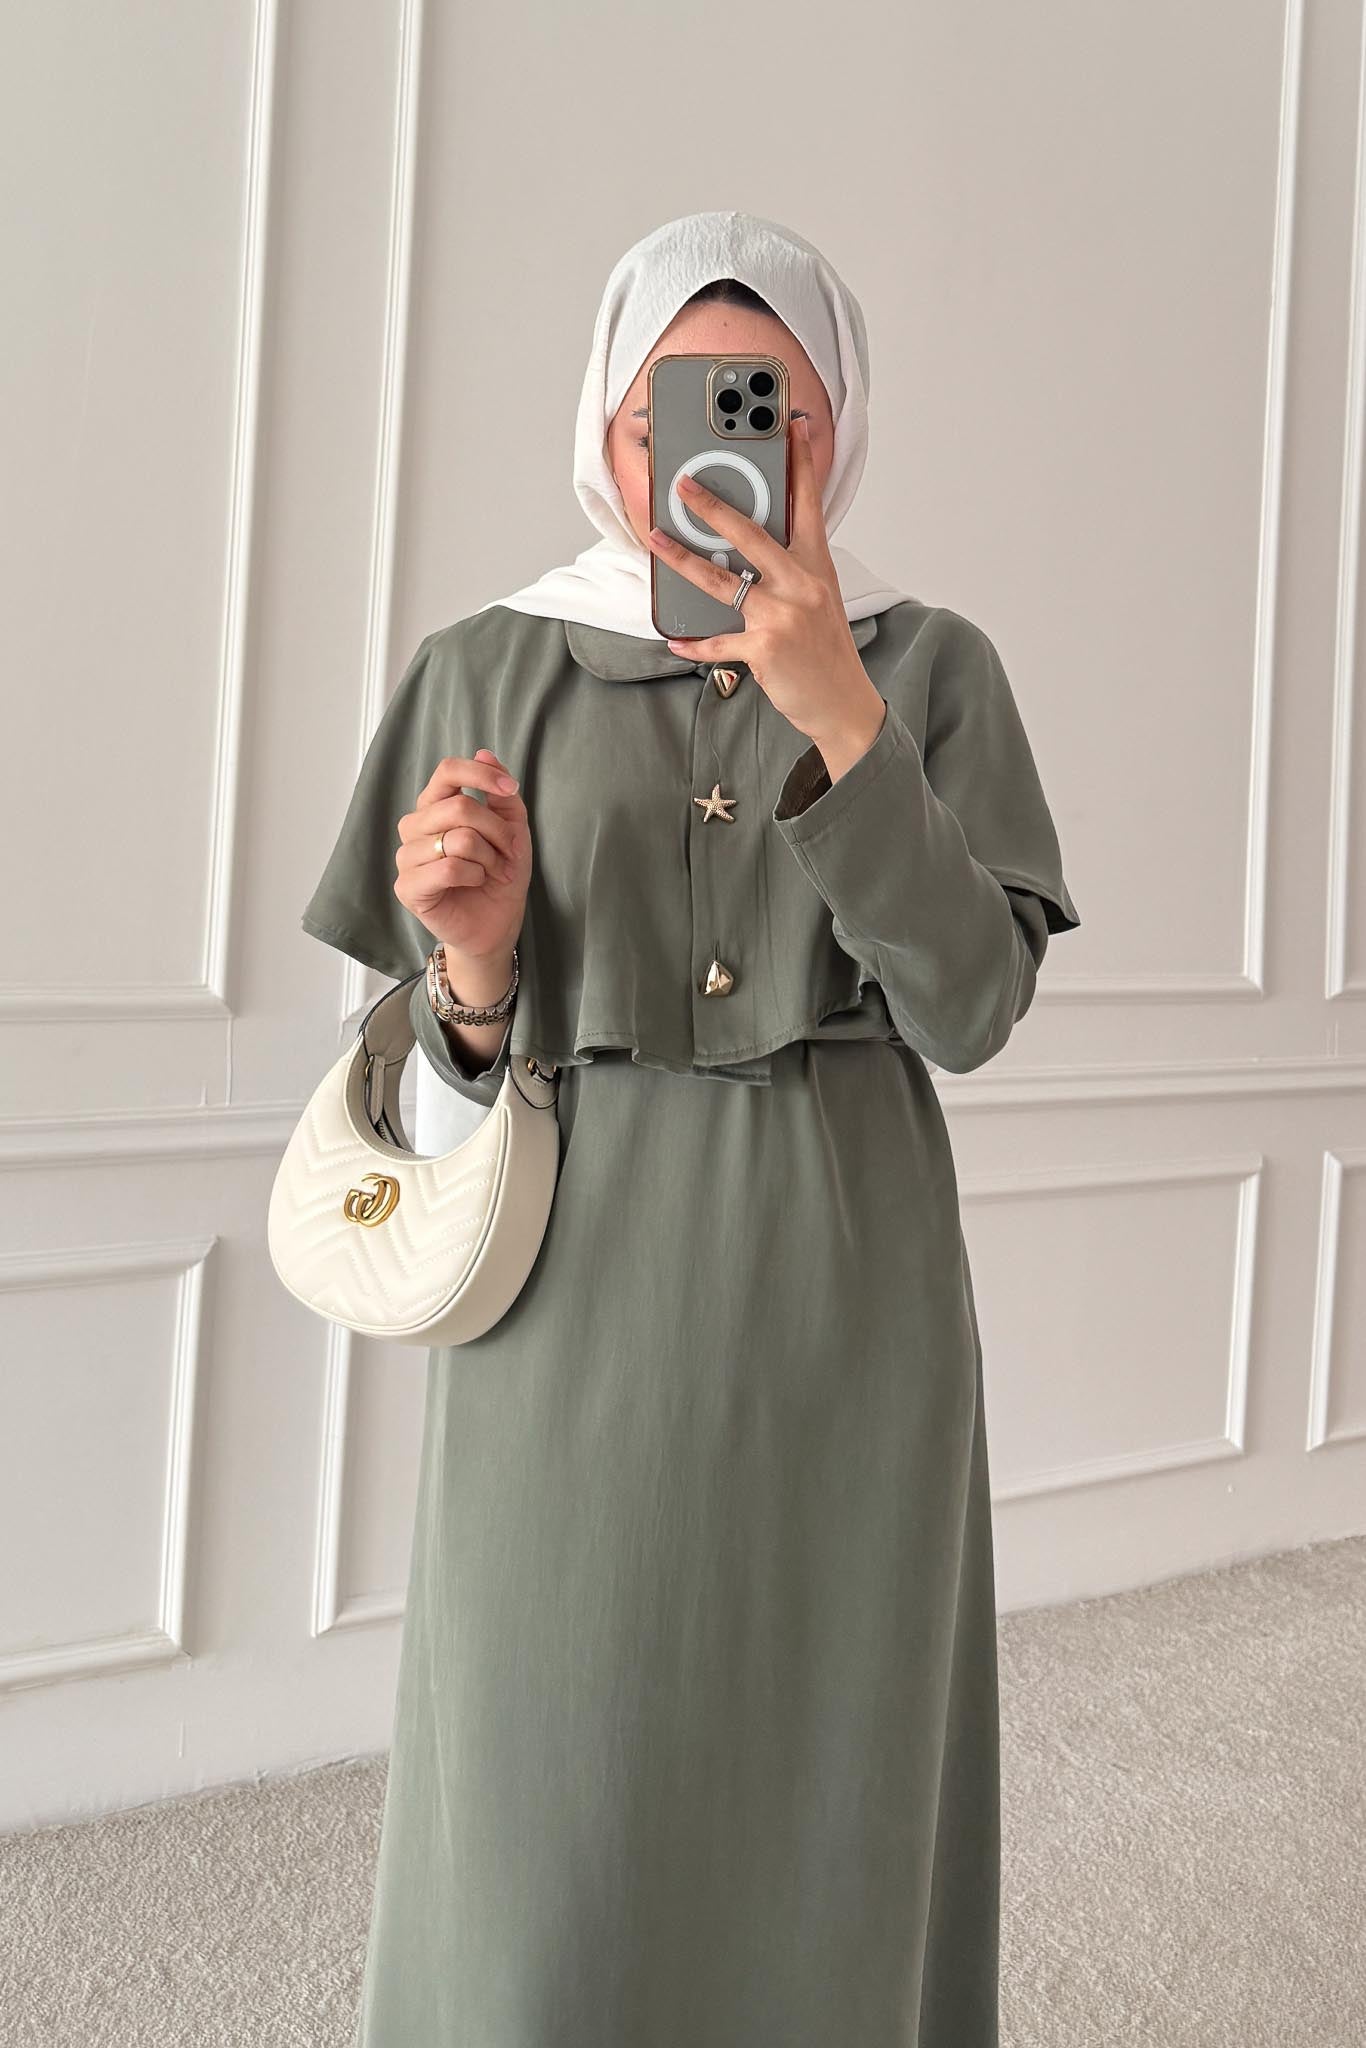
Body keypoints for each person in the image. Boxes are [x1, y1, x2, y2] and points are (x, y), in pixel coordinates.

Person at [301, 209, 1081, 2048]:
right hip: (563, 1306)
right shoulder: (483, 665)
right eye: (677, 407)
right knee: (542, 1796)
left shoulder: (930, 665)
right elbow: (420, 1097)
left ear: (832, 432)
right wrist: (473, 966)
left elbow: (970, 1010)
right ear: (611, 425)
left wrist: (843, 723)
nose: (718, 453)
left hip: (847, 1299)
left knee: (833, 1781)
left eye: (768, 408)